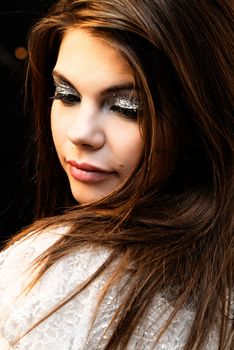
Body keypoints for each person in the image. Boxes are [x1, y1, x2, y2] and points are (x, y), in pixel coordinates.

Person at [0, 0, 233, 349]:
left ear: (198, 116)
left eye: (127, 108)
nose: (80, 133)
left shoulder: (57, 275)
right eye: (67, 95)